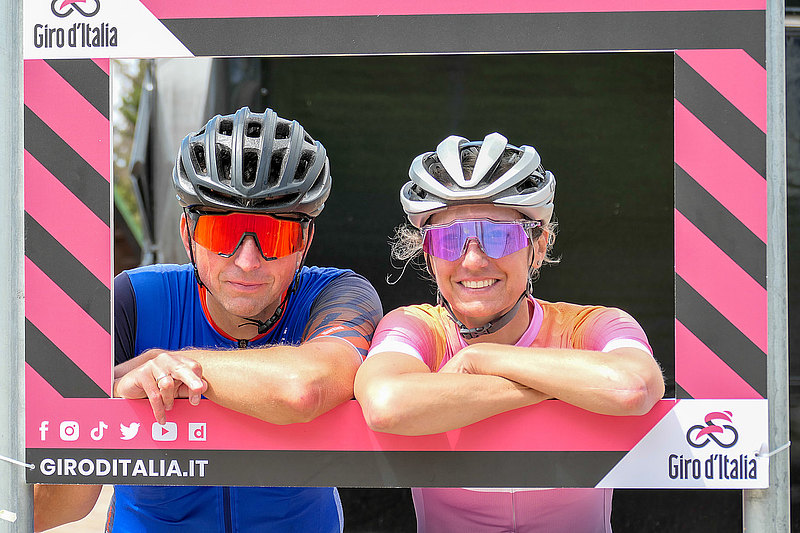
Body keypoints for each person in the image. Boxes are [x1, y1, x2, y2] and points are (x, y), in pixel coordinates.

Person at [34, 107, 382, 532]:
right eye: (223, 234)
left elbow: (303, 388)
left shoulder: (338, 294)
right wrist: (104, 408)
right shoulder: (132, 301)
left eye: (275, 235)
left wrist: (166, 365)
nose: (247, 261)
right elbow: (48, 511)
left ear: (305, 240)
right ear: (187, 235)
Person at [354, 132, 664, 533]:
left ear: (539, 246)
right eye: (448, 239)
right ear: (428, 254)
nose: (472, 260)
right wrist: (555, 386)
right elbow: (386, 404)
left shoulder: (589, 325)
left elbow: (633, 387)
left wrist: (480, 358)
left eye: (498, 235)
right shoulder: (416, 327)